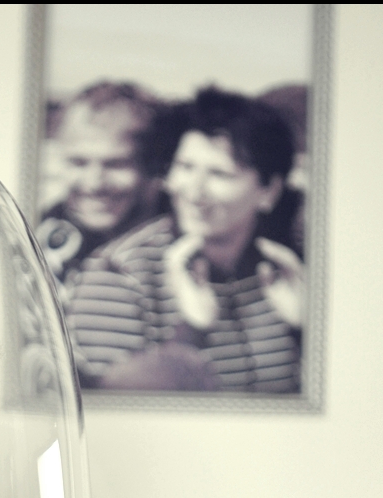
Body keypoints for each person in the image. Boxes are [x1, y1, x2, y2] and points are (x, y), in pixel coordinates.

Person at [64, 86, 305, 392]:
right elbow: (112, 405)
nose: (194, 191)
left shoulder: (287, 271)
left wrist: (306, 330)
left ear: (268, 191)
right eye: (185, 167)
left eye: (220, 174)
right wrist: (191, 331)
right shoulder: (117, 274)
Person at [36, 82, 165, 293]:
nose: (94, 183)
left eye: (115, 164)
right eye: (78, 163)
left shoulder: (188, 242)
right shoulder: (37, 234)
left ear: (153, 167)